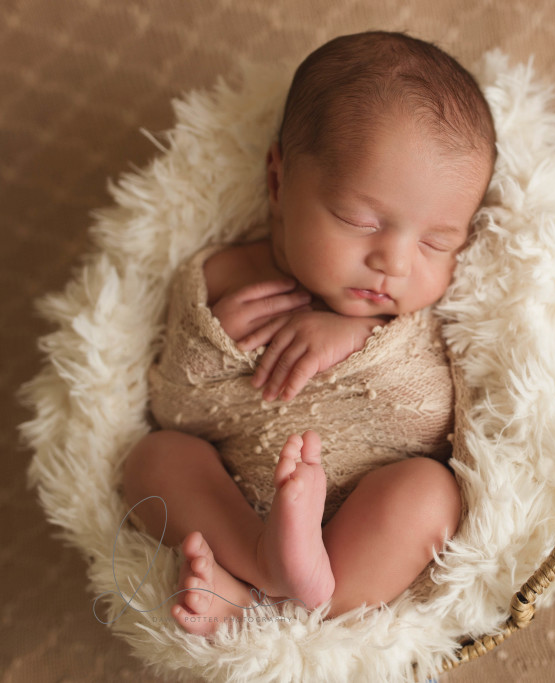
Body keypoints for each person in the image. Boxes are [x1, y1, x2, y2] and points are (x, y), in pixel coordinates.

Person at [121, 31, 496, 636]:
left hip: (363, 524)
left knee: (430, 494)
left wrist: (358, 340)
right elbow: (176, 410)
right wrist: (209, 348)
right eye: (359, 220)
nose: (395, 263)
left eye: (436, 242)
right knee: (152, 460)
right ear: (277, 182)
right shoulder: (225, 277)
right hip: (238, 505)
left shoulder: (416, 319)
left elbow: (433, 419)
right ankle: (264, 562)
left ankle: (272, 610)